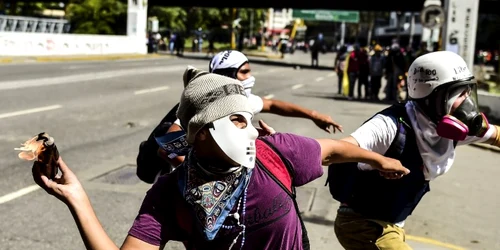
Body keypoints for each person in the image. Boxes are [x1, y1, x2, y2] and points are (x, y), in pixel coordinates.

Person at [32, 67, 410, 250]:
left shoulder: (275, 153)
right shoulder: (171, 194)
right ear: (202, 131)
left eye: (246, 116)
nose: (250, 130)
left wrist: (379, 160)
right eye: (235, 119)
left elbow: (331, 150)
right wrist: (78, 198)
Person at [327, 51, 500, 250]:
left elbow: (495, 135)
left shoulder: (451, 127)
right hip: (360, 224)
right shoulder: (390, 126)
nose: (468, 102)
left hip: (393, 225)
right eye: (460, 93)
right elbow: (334, 151)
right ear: (434, 96)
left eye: (469, 92)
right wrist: (378, 160)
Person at [136, 50, 344, 183]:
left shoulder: (238, 100)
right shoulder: (205, 104)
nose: (250, 77)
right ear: (228, 76)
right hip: (193, 193)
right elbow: (167, 149)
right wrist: (203, 179)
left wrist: (314, 115)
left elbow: (272, 104)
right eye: (244, 72)